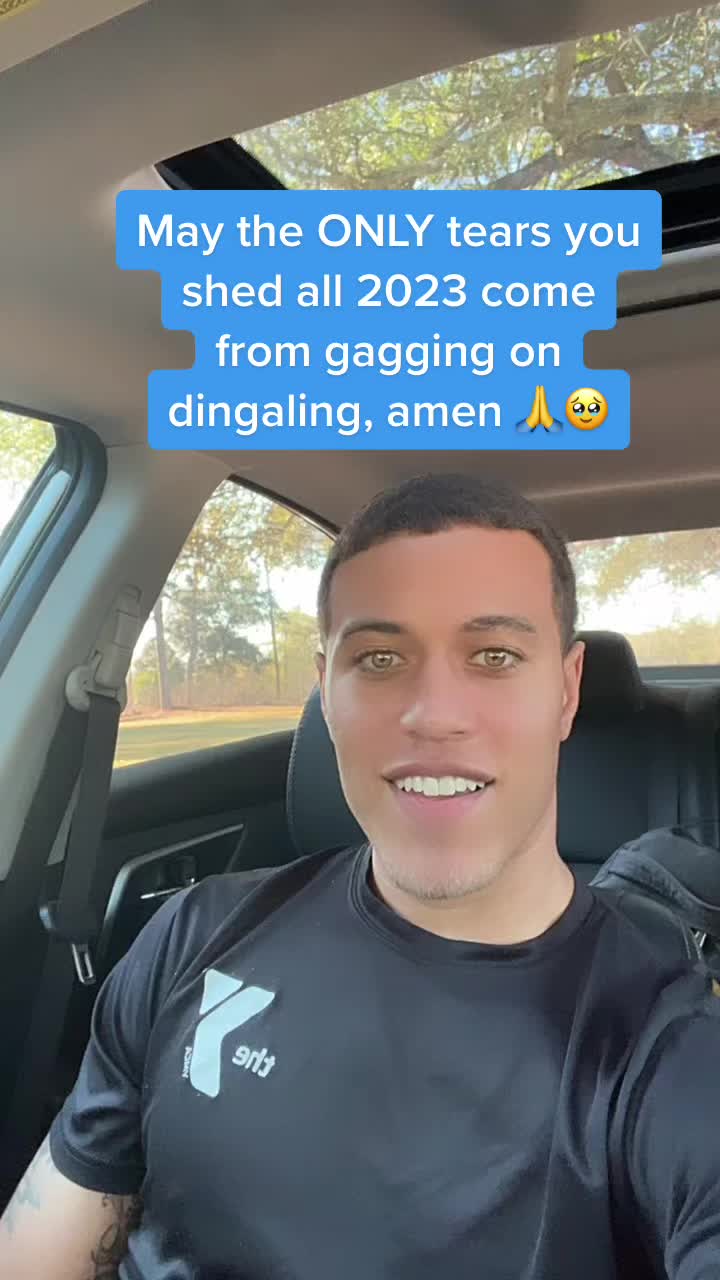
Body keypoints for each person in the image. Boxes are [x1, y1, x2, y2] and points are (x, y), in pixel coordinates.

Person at [1, 471, 719, 1280]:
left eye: (494, 655)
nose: (434, 714)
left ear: (565, 690)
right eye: (379, 658)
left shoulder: (666, 1042)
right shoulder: (195, 933)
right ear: (326, 694)